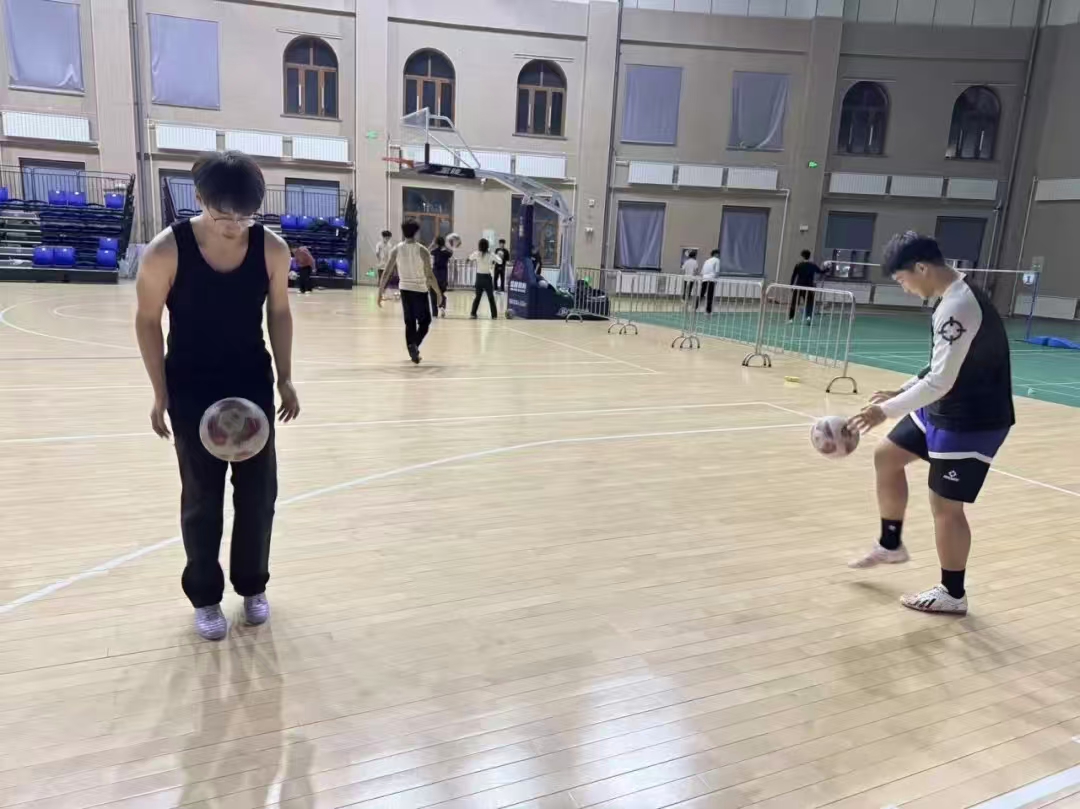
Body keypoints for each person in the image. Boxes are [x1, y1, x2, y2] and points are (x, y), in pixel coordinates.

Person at [134, 150, 301, 641]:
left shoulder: (272, 249)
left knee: (259, 496)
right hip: (191, 385)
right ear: (200, 199)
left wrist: (285, 377)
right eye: (222, 216)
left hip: (250, 382)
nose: (233, 227)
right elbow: (147, 320)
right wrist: (159, 392)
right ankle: (205, 596)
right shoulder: (166, 251)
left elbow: (280, 312)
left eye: (244, 217)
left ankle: (253, 585)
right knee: (201, 498)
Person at [847, 232, 1014, 615]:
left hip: (972, 419)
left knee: (945, 505)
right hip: (943, 407)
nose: (904, 288)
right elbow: (940, 365)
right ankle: (891, 544)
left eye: (902, 280)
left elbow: (941, 381)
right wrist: (902, 390)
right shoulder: (949, 298)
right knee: (887, 456)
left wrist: (884, 411)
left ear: (921, 268)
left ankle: (952, 593)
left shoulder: (958, 306)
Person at [378, 219, 444, 363]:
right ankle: (414, 346)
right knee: (425, 322)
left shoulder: (396, 249)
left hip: (405, 290)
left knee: (410, 322)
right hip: (420, 290)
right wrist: (439, 293)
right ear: (416, 233)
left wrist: (380, 292)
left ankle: (412, 349)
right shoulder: (423, 250)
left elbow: (387, 272)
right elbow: (429, 275)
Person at [789, 249, 822, 323]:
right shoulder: (812, 265)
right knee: (809, 303)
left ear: (802, 256)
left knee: (794, 302)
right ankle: (808, 317)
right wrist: (828, 269)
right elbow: (821, 271)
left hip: (799, 286)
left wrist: (791, 285)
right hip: (809, 287)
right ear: (809, 256)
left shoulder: (798, 265)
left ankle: (791, 319)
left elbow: (794, 276)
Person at [470, 238, 499, 319]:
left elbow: (470, 257)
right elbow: (500, 261)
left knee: (477, 297)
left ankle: (473, 314)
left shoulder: (477, 253)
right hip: (487, 278)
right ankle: (494, 315)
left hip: (479, 278)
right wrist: (496, 257)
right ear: (487, 246)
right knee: (490, 297)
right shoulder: (491, 254)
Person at [429, 235, 452, 318]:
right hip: (443, 277)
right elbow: (451, 252)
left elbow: (427, 251)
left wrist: (432, 244)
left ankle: (434, 313)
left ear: (436, 243)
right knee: (441, 293)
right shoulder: (446, 253)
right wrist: (445, 246)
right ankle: (442, 306)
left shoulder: (434, 251)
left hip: (435, 276)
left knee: (433, 294)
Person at [699, 249, 721, 314]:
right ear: (716, 254)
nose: (719, 255)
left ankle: (695, 306)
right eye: (718, 254)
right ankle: (708, 310)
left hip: (704, 279)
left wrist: (702, 279)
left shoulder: (707, 261)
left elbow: (702, 271)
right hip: (711, 279)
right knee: (710, 295)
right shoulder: (717, 260)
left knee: (701, 294)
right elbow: (717, 271)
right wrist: (716, 280)